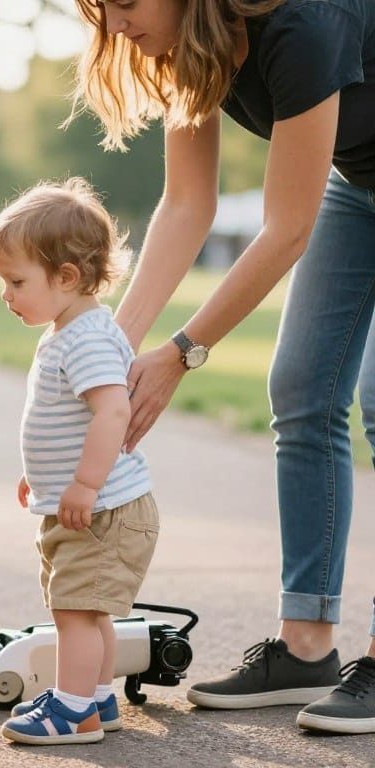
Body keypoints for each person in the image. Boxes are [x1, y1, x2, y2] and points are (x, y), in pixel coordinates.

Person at [69, 0, 375, 735]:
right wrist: (110, 351)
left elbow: (286, 228)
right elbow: (186, 204)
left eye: (125, 3)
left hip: (330, 199)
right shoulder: (186, 45)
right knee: (301, 390)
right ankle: (306, 645)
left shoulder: (302, 22)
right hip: (359, 186)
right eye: (98, 8)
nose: (113, 26)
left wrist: (179, 355)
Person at [0, 178, 159, 745]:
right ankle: (97, 698)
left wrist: (82, 483)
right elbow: (64, 421)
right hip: (90, 504)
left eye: (17, 281)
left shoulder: (86, 340)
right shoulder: (68, 330)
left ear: (68, 277)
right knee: (89, 609)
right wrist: (45, 475)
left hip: (103, 508)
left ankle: (72, 710)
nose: (6, 294)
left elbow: (111, 413)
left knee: (75, 612)